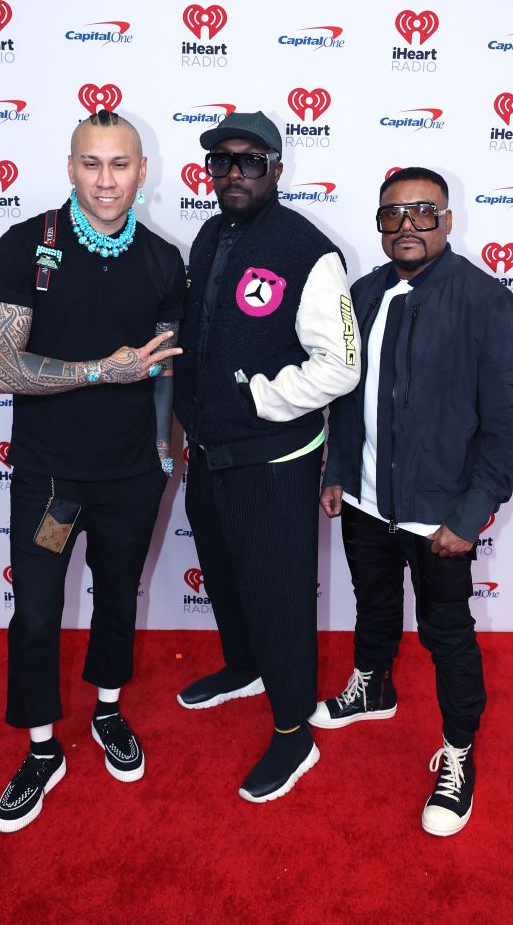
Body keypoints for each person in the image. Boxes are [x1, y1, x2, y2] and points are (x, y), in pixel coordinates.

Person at [311, 166, 513, 835]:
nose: (407, 224)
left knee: (448, 633)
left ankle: (459, 749)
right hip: (366, 503)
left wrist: (469, 516)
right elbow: (347, 397)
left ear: (447, 218)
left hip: (441, 517)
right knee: (373, 602)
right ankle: (373, 686)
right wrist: (338, 472)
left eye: (423, 211)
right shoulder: (364, 294)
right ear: (379, 223)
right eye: (393, 213)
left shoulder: (484, 300)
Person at [0, 110, 186, 833]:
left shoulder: (164, 260)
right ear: (70, 167)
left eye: (120, 164)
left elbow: (164, 368)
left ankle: (107, 709)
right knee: (36, 610)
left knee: (118, 598)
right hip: (51, 476)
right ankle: (41, 749)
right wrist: (105, 370)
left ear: (142, 170)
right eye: (92, 164)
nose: (106, 180)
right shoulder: (25, 245)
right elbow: (0, 366)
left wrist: (164, 450)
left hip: (133, 474)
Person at [173, 111, 360, 803]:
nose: (233, 174)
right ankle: (245, 666)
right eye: (221, 162)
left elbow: (340, 365)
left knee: (279, 596)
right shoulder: (208, 232)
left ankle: (293, 732)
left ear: (277, 167)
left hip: (274, 458)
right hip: (209, 450)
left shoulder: (309, 249)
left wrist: (259, 399)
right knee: (224, 575)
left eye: (249, 161)